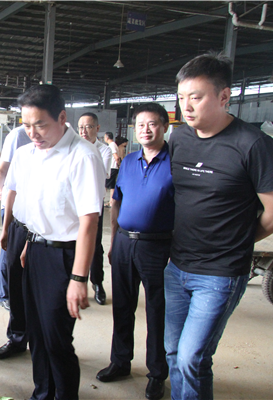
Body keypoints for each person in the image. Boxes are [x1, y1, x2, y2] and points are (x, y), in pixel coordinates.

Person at [166, 52, 273, 399]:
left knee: (192, 358)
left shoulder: (253, 144)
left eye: (196, 97)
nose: (186, 106)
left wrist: (239, 240)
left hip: (220, 273)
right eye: (181, 97)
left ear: (224, 96)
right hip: (177, 266)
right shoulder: (179, 139)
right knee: (174, 354)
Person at [5, 85, 105, 399]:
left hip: (65, 256)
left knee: (56, 339)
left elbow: (89, 222)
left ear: (62, 118)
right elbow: (33, 207)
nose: (32, 133)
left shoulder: (82, 156)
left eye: (40, 125)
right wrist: (29, 241)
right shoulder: (27, 154)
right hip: (34, 251)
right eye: (26, 125)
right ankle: (42, 394)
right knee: (36, 334)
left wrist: (79, 278)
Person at [96, 103, 174, 400]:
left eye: (152, 124)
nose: (146, 130)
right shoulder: (128, 162)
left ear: (164, 126)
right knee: (122, 306)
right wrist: (114, 241)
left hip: (158, 246)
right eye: (141, 125)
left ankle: (157, 373)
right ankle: (120, 361)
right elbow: (116, 202)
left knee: (156, 310)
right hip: (125, 243)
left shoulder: (175, 163)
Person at [0, 124, 31, 359]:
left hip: (41, 231)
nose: (32, 131)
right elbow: (11, 191)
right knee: (15, 285)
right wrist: (6, 228)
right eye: (28, 125)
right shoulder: (22, 152)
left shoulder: (63, 155)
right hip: (17, 226)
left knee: (37, 289)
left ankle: (41, 341)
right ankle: (17, 338)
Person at [77, 112, 112, 305]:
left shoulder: (104, 150)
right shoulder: (72, 148)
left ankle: (97, 283)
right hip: (74, 205)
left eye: (88, 127)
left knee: (95, 245)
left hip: (94, 205)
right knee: (73, 243)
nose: (84, 131)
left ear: (97, 129)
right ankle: (76, 282)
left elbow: (100, 174)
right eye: (80, 127)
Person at [104, 132, 120, 206]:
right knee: (112, 186)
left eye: (105, 137)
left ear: (107, 137)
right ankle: (111, 202)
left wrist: (118, 164)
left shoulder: (112, 145)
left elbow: (116, 157)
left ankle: (101, 200)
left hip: (112, 167)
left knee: (105, 184)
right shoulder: (114, 144)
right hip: (114, 167)